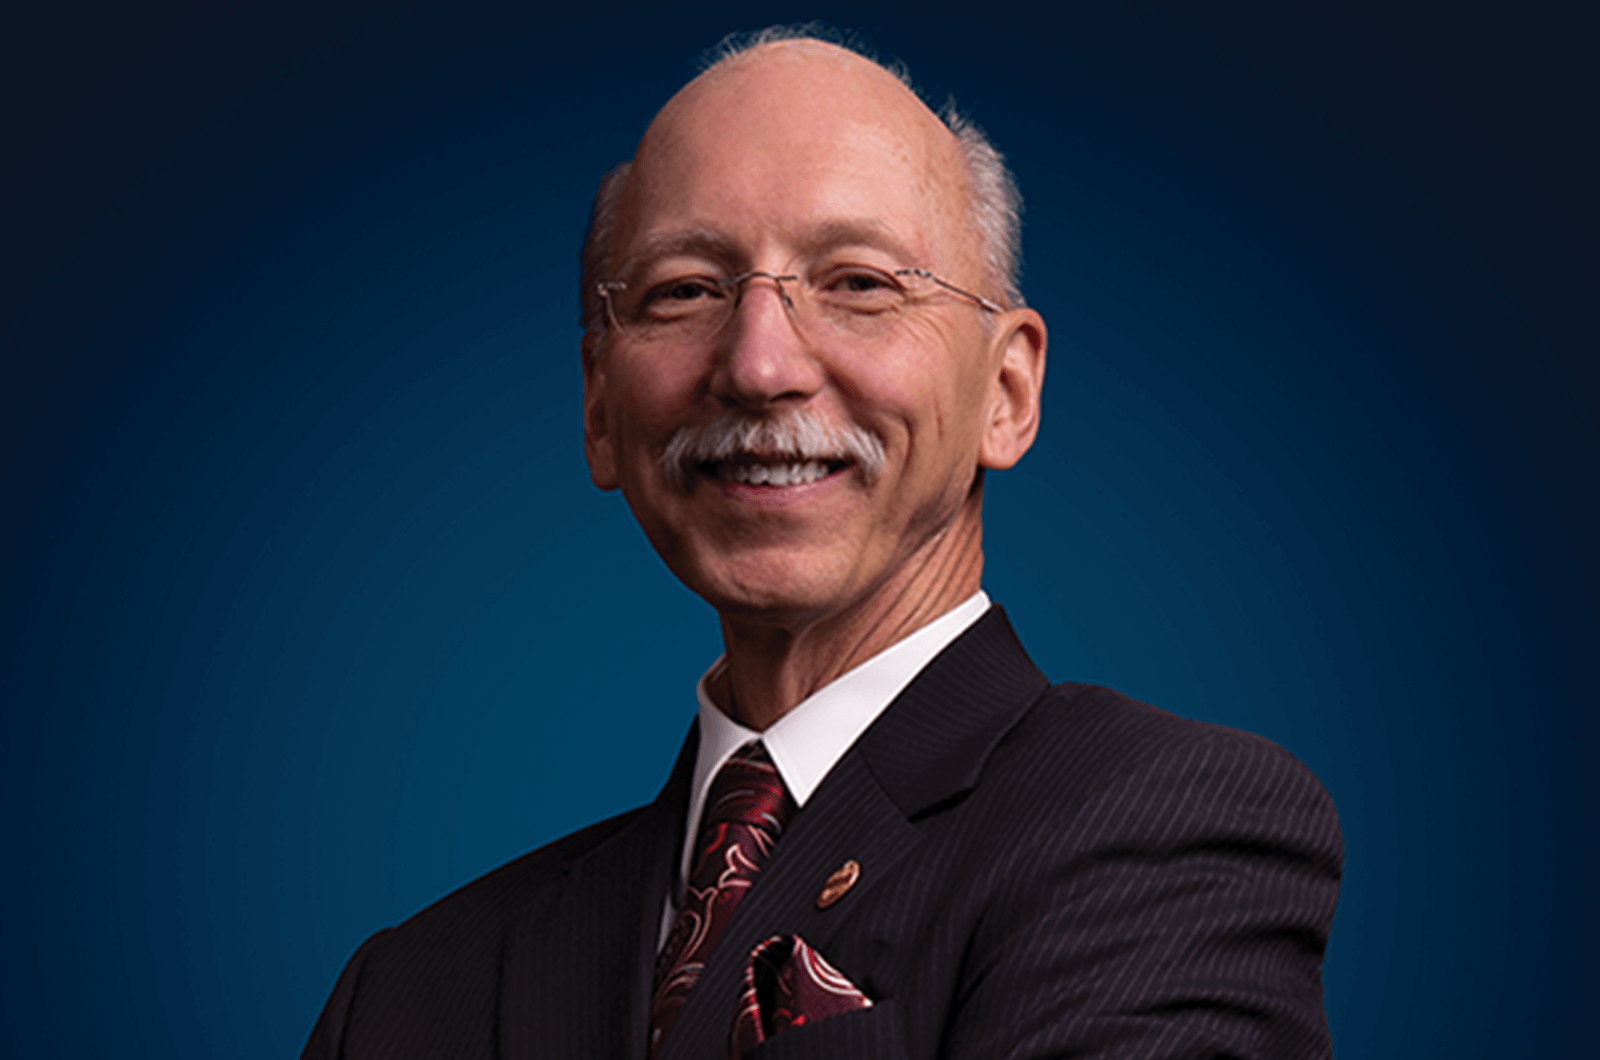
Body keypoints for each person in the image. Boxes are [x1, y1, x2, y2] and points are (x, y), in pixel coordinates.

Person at [301, 29, 1341, 1060]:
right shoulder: (408, 989)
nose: (758, 364)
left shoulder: (1165, 831)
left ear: (1007, 391)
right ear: (598, 410)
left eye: (857, 282)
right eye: (684, 291)